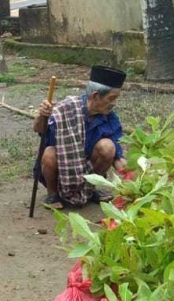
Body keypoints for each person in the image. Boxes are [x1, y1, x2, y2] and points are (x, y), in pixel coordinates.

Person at [32, 65, 127, 210]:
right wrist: (41, 115)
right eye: (111, 98)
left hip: (87, 168)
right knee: (49, 154)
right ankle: (53, 194)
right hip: (62, 168)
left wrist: (129, 180)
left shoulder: (109, 118)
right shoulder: (66, 109)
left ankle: (91, 189)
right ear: (96, 96)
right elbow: (39, 129)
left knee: (108, 147)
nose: (114, 103)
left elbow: (117, 155)